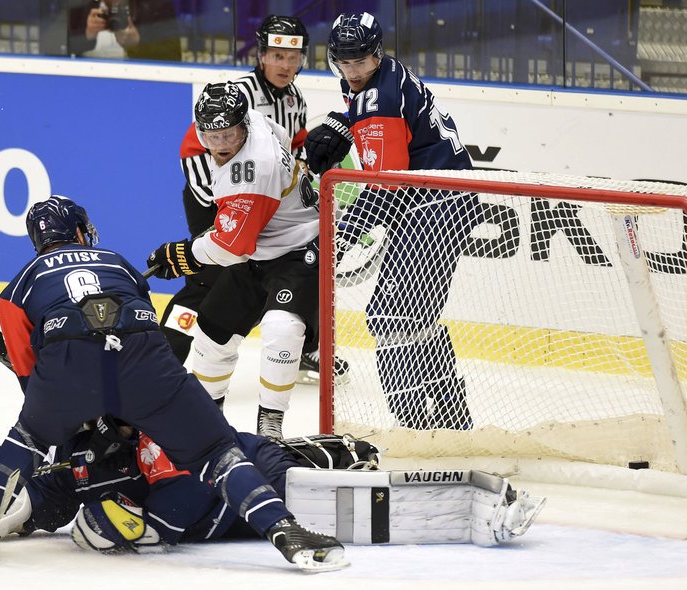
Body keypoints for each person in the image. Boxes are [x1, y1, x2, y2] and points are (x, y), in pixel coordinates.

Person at [0, 195, 347, 572]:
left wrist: (76, 416)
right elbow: (139, 330)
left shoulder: (18, 285)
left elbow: (30, 378)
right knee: (215, 450)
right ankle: (284, 531)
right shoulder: (116, 262)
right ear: (82, 231)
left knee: (28, 439)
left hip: (68, 372)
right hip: (143, 363)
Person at [304, 12, 482, 430]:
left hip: (435, 209)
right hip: (440, 200)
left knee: (389, 317)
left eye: (361, 62)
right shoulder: (385, 77)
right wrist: (340, 124)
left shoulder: (377, 101)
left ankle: (415, 423)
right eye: (344, 63)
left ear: (377, 54)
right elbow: (381, 126)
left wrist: (338, 235)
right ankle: (452, 417)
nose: (352, 71)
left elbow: (386, 189)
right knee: (410, 319)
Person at [0, 422, 541, 552]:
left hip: (250, 477)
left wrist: (96, 516)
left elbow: (155, 528)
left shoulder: (162, 453)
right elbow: (67, 485)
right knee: (283, 462)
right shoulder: (94, 438)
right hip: (240, 466)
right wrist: (18, 506)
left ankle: (339, 453)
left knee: (295, 478)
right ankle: (330, 448)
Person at [148, 82, 319, 440]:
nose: (222, 145)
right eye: (212, 136)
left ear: (242, 126)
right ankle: (206, 425)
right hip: (259, 250)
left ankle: (270, 426)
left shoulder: (251, 171)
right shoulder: (255, 118)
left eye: (228, 135)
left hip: (299, 247)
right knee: (211, 335)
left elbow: (231, 247)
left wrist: (180, 255)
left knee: (281, 328)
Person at [161, 15, 311, 365]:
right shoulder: (238, 93)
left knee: (263, 275)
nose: (285, 65)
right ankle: (163, 358)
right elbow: (192, 146)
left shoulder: (296, 100)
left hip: (260, 205)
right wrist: (221, 204)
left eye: (292, 57)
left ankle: (304, 346)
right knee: (207, 279)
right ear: (261, 55)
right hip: (218, 201)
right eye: (277, 55)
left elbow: (297, 147)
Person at [67, 0, 181, 61]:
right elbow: (58, 48)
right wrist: (86, 36)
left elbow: (174, 56)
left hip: (138, 84)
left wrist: (138, 44)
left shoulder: (156, 4)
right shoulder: (80, 4)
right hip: (87, 81)